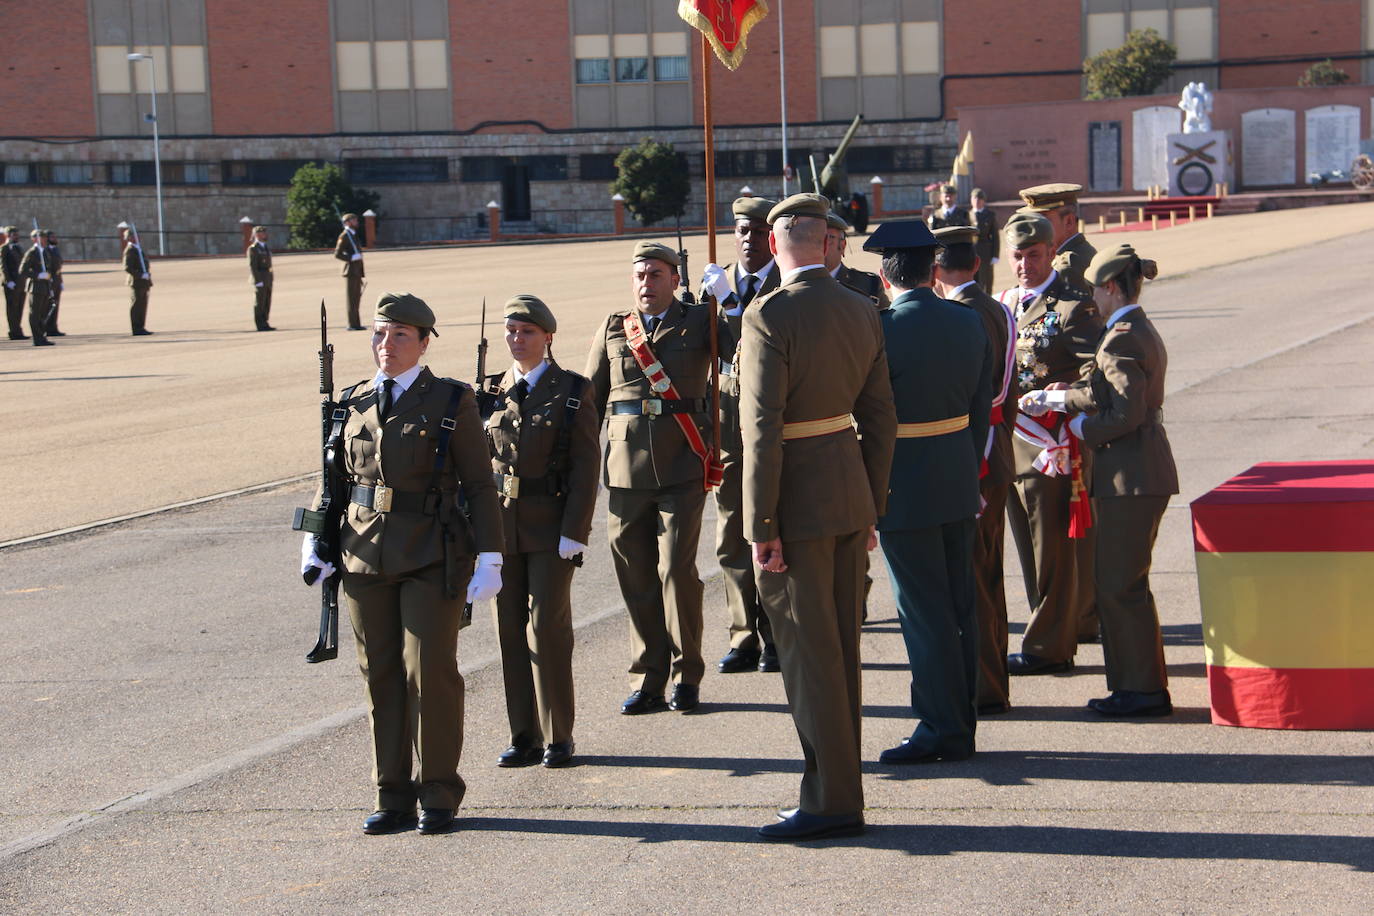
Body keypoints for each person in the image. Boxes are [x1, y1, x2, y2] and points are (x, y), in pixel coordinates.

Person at [300, 292, 503, 836]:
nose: (384, 346)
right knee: (380, 674)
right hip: (363, 553)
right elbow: (333, 479)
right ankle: (392, 795)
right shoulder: (353, 400)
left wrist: (490, 555)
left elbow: (480, 485)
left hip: (431, 553)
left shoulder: (450, 400)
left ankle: (438, 791)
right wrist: (316, 540)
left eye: (398, 336)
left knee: (430, 673)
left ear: (424, 342)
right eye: (378, 334)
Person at [740, 193, 896, 842]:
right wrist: (872, 507)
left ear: (776, 245)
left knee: (810, 658)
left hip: (795, 507)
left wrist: (759, 525)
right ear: (825, 243)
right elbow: (882, 418)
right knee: (841, 655)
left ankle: (831, 800)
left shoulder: (768, 315)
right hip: (847, 495)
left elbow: (760, 429)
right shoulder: (861, 309)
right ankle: (840, 791)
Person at [1019, 245, 1177, 717]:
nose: (1091, 295)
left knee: (1118, 585)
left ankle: (1141, 690)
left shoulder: (1123, 337)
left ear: (1110, 287)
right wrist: (1062, 397)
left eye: (1093, 287)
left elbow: (1127, 411)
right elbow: (1106, 391)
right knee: (1123, 583)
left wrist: (1081, 428)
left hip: (1132, 474)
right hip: (1135, 472)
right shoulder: (1128, 330)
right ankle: (1137, 685)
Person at [584, 241, 732, 715]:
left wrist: (726, 303)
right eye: (639, 275)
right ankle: (648, 675)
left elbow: (744, 349)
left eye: (655, 275)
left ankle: (687, 673)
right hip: (626, 470)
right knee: (635, 575)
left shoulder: (701, 321)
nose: (645, 284)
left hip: (684, 463)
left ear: (674, 279)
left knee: (676, 571)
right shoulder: (613, 328)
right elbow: (590, 400)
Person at [865, 220, 992, 764]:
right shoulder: (968, 321)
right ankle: (959, 722)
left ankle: (940, 727)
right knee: (961, 607)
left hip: (904, 487)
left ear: (883, 274)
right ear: (931, 269)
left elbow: (866, 420)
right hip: (958, 477)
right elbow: (981, 412)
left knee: (923, 613)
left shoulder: (881, 329)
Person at [486, 294, 600, 769]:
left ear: (548, 336)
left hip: (552, 525)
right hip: (501, 527)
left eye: (527, 332)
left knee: (546, 629)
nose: (517, 339)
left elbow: (585, 465)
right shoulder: (488, 391)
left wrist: (575, 529)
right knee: (508, 629)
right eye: (511, 331)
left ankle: (558, 735)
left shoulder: (573, 390)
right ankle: (524, 735)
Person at [999, 212, 1101, 677]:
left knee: (1052, 553)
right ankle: (1053, 626)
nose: (1024, 265)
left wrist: (1058, 402)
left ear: (1050, 255)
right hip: (1010, 446)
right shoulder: (1003, 304)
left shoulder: (1074, 306)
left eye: (1033, 256)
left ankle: (1049, 646)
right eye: (1017, 257)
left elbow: (1092, 377)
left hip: (1050, 448)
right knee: (1027, 550)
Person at [932, 225, 1018, 714]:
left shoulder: (955, 317)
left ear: (936, 270)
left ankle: (984, 686)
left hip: (973, 455)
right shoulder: (998, 309)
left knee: (971, 581)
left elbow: (979, 397)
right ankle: (993, 677)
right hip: (997, 449)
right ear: (977, 264)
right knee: (989, 574)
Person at [699, 196, 779, 675]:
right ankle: (743, 634)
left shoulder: (783, 282)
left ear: (772, 236)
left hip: (772, 426)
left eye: (756, 230)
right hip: (728, 427)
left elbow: (759, 344)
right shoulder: (713, 283)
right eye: (740, 230)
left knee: (770, 529)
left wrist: (731, 304)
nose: (747, 239)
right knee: (731, 536)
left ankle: (775, 634)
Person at [825, 212, 889, 309]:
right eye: (813, 240)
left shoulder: (868, 285)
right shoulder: (796, 285)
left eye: (829, 238)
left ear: (842, 245)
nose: (820, 246)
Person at [19, 228, 55, 346]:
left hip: (45, 286)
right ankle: (37, 338)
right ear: (34, 239)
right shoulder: (32, 252)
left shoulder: (45, 251)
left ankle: (42, 336)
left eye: (44, 237)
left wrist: (49, 275)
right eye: (41, 237)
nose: (44, 240)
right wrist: (38, 275)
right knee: (35, 313)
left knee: (43, 313)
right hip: (35, 287)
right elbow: (23, 270)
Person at [334, 213, 366, 330]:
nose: (356, 222)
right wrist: (351, 258)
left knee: (356, 298)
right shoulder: (345, 235)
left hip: (356, 271)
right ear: (347, 222)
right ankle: (352, 324)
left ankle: (356, 323)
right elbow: (337, 254)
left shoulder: (353, 235)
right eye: (353, 220)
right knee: (351, 299)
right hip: (351, 272)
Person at [123, 228, 153, 336]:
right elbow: (127, 267)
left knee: (143, 305)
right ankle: (136, 328)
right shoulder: (130, 250)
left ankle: (141, 326)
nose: (138, 237)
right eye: (135, 235)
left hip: (143, 282)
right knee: (136, 305)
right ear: (130, 237)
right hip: (136, 282)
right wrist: (140, 275)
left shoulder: (138, 249)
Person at [971, 189, 1000, 293]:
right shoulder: (966, 215)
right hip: (971, 252)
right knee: (972, 280)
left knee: (986, 281)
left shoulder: (990, 215)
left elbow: (995, 236)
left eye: (979, 199)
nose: (977, 201)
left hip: (985, 253)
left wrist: (995, 255)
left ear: (984, 201)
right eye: (974, 198)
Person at [248, 225, 275, 331]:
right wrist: (258, 281)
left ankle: (265, 322)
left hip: (267, 278)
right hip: (260, 279)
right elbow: (253, 267)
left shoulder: (265, 247)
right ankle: (260, 324)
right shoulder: (253, 249)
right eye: (262, 233)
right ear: (257, 235)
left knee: (267, 301)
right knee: (260, 302)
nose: (265, 235)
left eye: (265, 232)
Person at [3, 226, 26, 340]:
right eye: (14, 235)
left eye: (17, 234)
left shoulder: (19, 248)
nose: (17, 236)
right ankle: (13, 331)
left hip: (21, 282)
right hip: (11, 283)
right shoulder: (4, 248)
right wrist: (8, 281)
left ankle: (18, 330)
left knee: (19, 308)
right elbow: (3, 267)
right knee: (12, 308)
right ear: (8, 235)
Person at [44, 230, 65, 337]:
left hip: (57, 281)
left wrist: (61, 281)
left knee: (55, 306)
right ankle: (46, 328)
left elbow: (59, 267)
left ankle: (53, 328)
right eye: (52, 237)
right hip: (49, 282)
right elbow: (47, 268)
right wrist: (49, 280)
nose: (55, 239)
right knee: (48, 306)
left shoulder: (56, 249)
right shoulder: (45, 251)